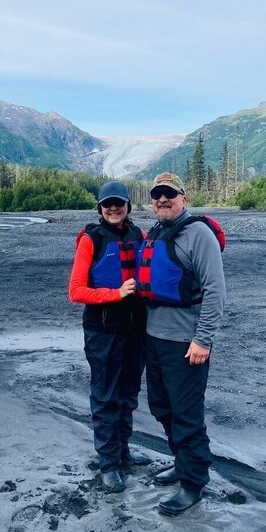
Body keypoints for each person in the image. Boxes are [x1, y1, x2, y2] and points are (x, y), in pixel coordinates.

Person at [135, 172, 226, 516]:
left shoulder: (198, 234)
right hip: (154, 340)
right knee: (162, 408)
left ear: (183, 198)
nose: (162, 200)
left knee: (186, 416)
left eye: (169, 194)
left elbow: (216, 290)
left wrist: (203, 339)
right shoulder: (156, 233)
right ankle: (182, 462)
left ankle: (192, 484)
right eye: (157, 195)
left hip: (186, 345)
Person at [69, 181, 151, 493]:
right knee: (105, 398)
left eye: (118, 203)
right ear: (100, 208)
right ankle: (108, 464)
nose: (112, 209)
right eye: (107, 204)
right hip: (102, 332)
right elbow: (76, 291)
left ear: (128, 205)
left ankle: (124, 451)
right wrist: (115, 294)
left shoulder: (139, 235)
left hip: (135, 332)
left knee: (128, 394)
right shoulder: (91, 239)